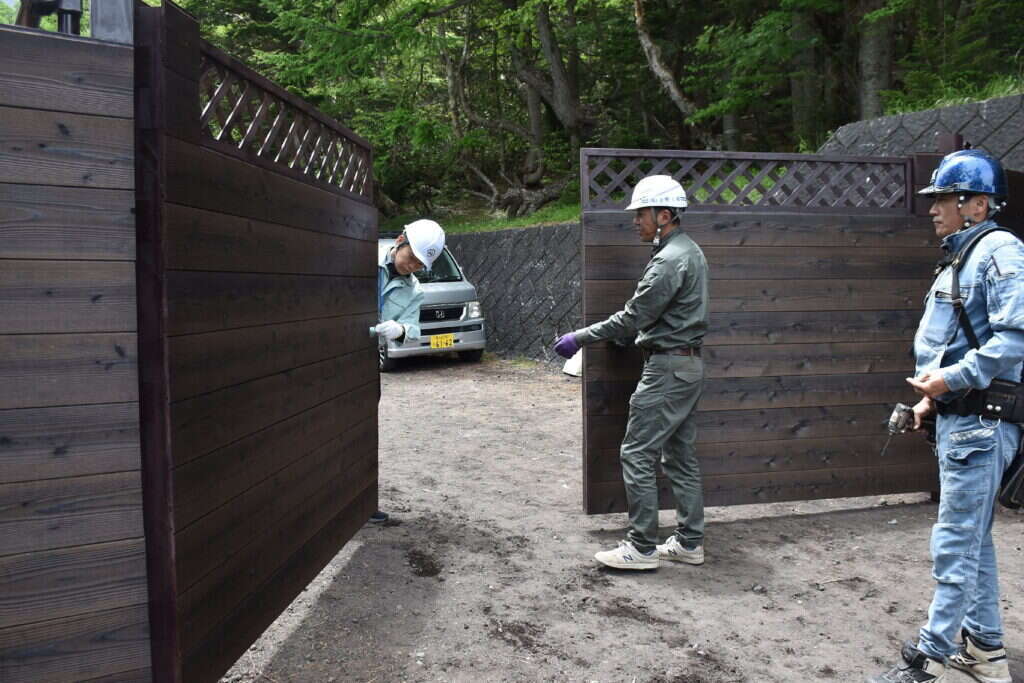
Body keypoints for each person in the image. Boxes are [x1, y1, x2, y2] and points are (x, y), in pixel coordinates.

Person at [871, 149, 1021, 683]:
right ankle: (985, 651)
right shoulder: (966, 254)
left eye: (942, 199)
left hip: (981, 424)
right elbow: (962, 339)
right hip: (964, 420)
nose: (933, 209)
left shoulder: (999, 250)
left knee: (954, 541)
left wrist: (950, 382)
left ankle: (926, 661)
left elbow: (1013, 339)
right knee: (973, 538)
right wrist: (932, 398)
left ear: (976, 204)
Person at [553, 174, 708, 570]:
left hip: (667, 369)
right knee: (679, 455)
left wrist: (581, 337)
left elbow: (634, 315)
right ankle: (690, 542)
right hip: (686, 365)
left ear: (665, 215)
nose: (635, 221)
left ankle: (641, 548)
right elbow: (655, 316)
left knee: (637, 451)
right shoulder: (688, 252)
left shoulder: (669, 261)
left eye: (641, 213)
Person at [369, 219, 446, 523]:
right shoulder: (363, 257)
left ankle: (362, 503)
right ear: (399, 240)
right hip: (332, 351)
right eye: (411, 256)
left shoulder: (413, 290)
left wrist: (400, 327)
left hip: (366, 361)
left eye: (420, 263)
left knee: (363, 430)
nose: (413, 265)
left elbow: (413, 330)